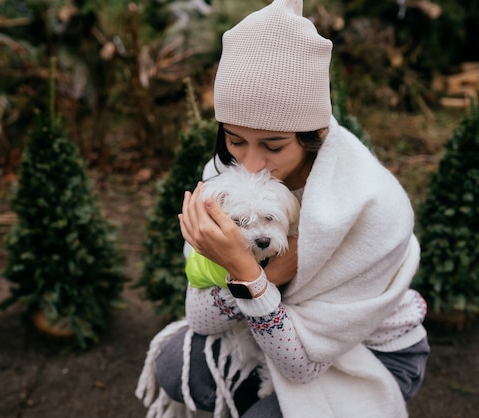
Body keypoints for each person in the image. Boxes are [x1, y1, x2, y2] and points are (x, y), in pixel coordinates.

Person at [135, 1, 429, 417]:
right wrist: (259, 274)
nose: (251, 164)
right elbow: (200, 319)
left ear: (314, 136)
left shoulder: (372, 206)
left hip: (369, 350)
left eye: (273, 146)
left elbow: (303, 365)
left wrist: (248, 279)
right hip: (268, 330)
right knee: (174, 365)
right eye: (235, 140)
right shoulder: (224, 179)